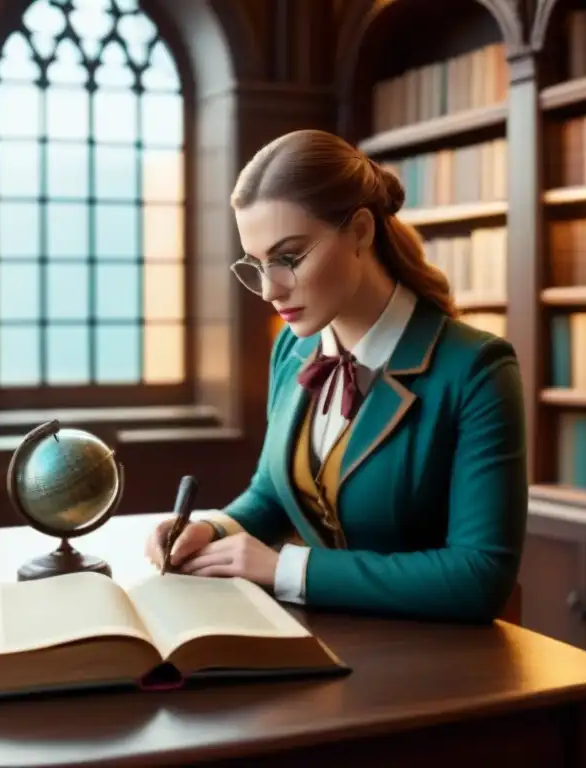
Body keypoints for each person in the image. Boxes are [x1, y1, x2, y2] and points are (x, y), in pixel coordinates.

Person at [144, 128, 527, 623]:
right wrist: (214, 529)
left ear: (361, 232)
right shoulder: (292, 347)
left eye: (288, 257)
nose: (268, 290)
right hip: (319, 641)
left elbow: (480, 577)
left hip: (438, 662)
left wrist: (286, 569)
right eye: (256, 264)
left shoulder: (477, 369)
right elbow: (271, 494)